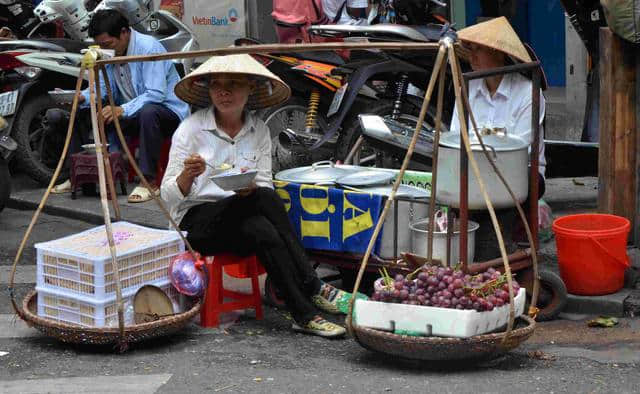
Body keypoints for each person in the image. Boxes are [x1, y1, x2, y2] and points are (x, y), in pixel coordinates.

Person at [161, 54, 355, 338]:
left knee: (261, 221)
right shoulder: (190, 130)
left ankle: (303, 315)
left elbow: (264, 185)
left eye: (233, 85)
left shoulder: (259, 130)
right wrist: (187, 176)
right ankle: (313, 286)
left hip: (242, 219)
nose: (224, 92)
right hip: (196, 224)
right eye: (217, 85)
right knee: (262, 201)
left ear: (250, 89)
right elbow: (167, 199)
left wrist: (250, 189)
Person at [51, 9, 190, 203]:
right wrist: (82, 97)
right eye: (101, 45)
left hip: (166, 112)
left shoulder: (149, 48)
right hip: (132, 110)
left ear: (124, 32)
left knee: (148, 112)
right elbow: (102, 88)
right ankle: (77, 177)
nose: (106, 48)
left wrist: (122, 109)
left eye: (109, 44)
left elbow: (155, 95)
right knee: (82, 112)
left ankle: (148, 182)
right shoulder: (108, 52)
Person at [450, 17, 546, 254]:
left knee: (503, 186)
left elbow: (520, 150)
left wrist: (482, 146)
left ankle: (495, 248)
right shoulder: (469, 88)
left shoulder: (527, 93)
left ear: (497, 53)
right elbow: (455, 137)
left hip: (518, 173)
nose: (472, 57)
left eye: (478, 51)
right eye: (470, 50)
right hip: (475, 169)